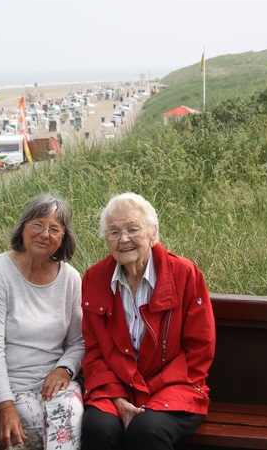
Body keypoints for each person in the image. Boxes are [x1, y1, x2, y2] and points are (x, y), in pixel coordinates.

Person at [80, 192, 215, 450]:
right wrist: (118, 399)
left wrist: (149, 394)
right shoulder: (94, 278)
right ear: (106, 239)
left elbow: (199, 349)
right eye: (114, 232)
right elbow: (93, 351)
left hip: (175, 386)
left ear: (153, 233)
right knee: (98, 427)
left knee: (146, 430)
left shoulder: (184, 274)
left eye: (133, 229)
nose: (124, 239)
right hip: (116, 387)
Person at [0, 194, 84, 450]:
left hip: (51, 382)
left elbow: (78, 341)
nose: (45, 234)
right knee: (32, 424)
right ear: (23, 227)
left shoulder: (70, 278)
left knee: (71, 416)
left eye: (54, 229)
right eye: (37, 224)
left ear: (63, 238)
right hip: (5, 386)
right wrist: (5, 404)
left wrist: (65, 369)